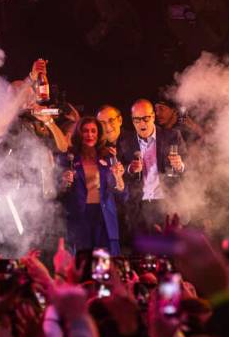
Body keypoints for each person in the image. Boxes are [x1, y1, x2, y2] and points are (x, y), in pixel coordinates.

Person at [118, 99, 186, 234]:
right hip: (139, 206)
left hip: (166, 204)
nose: (142, 123)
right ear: (132, 120)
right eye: (137, 119)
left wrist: (180, 165)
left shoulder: (171, 136)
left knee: (169, 250)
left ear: (153, 116)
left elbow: (189, 165)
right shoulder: (125, 141)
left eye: (146, 118)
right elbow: (119, 171)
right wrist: (130, 169)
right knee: (143, 252)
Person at [60, 117, 126, 254]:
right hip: (80, 216)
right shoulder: (70, 158)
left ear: (98, 134)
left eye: (93, 131)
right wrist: (64, 182)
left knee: (105, 266)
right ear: (79, 134)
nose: (89, 135)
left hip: (104, 216)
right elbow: (61, 191)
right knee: (83, 264)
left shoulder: (108, 157)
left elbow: (121, 193)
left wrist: (118, 178)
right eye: (85, 131)